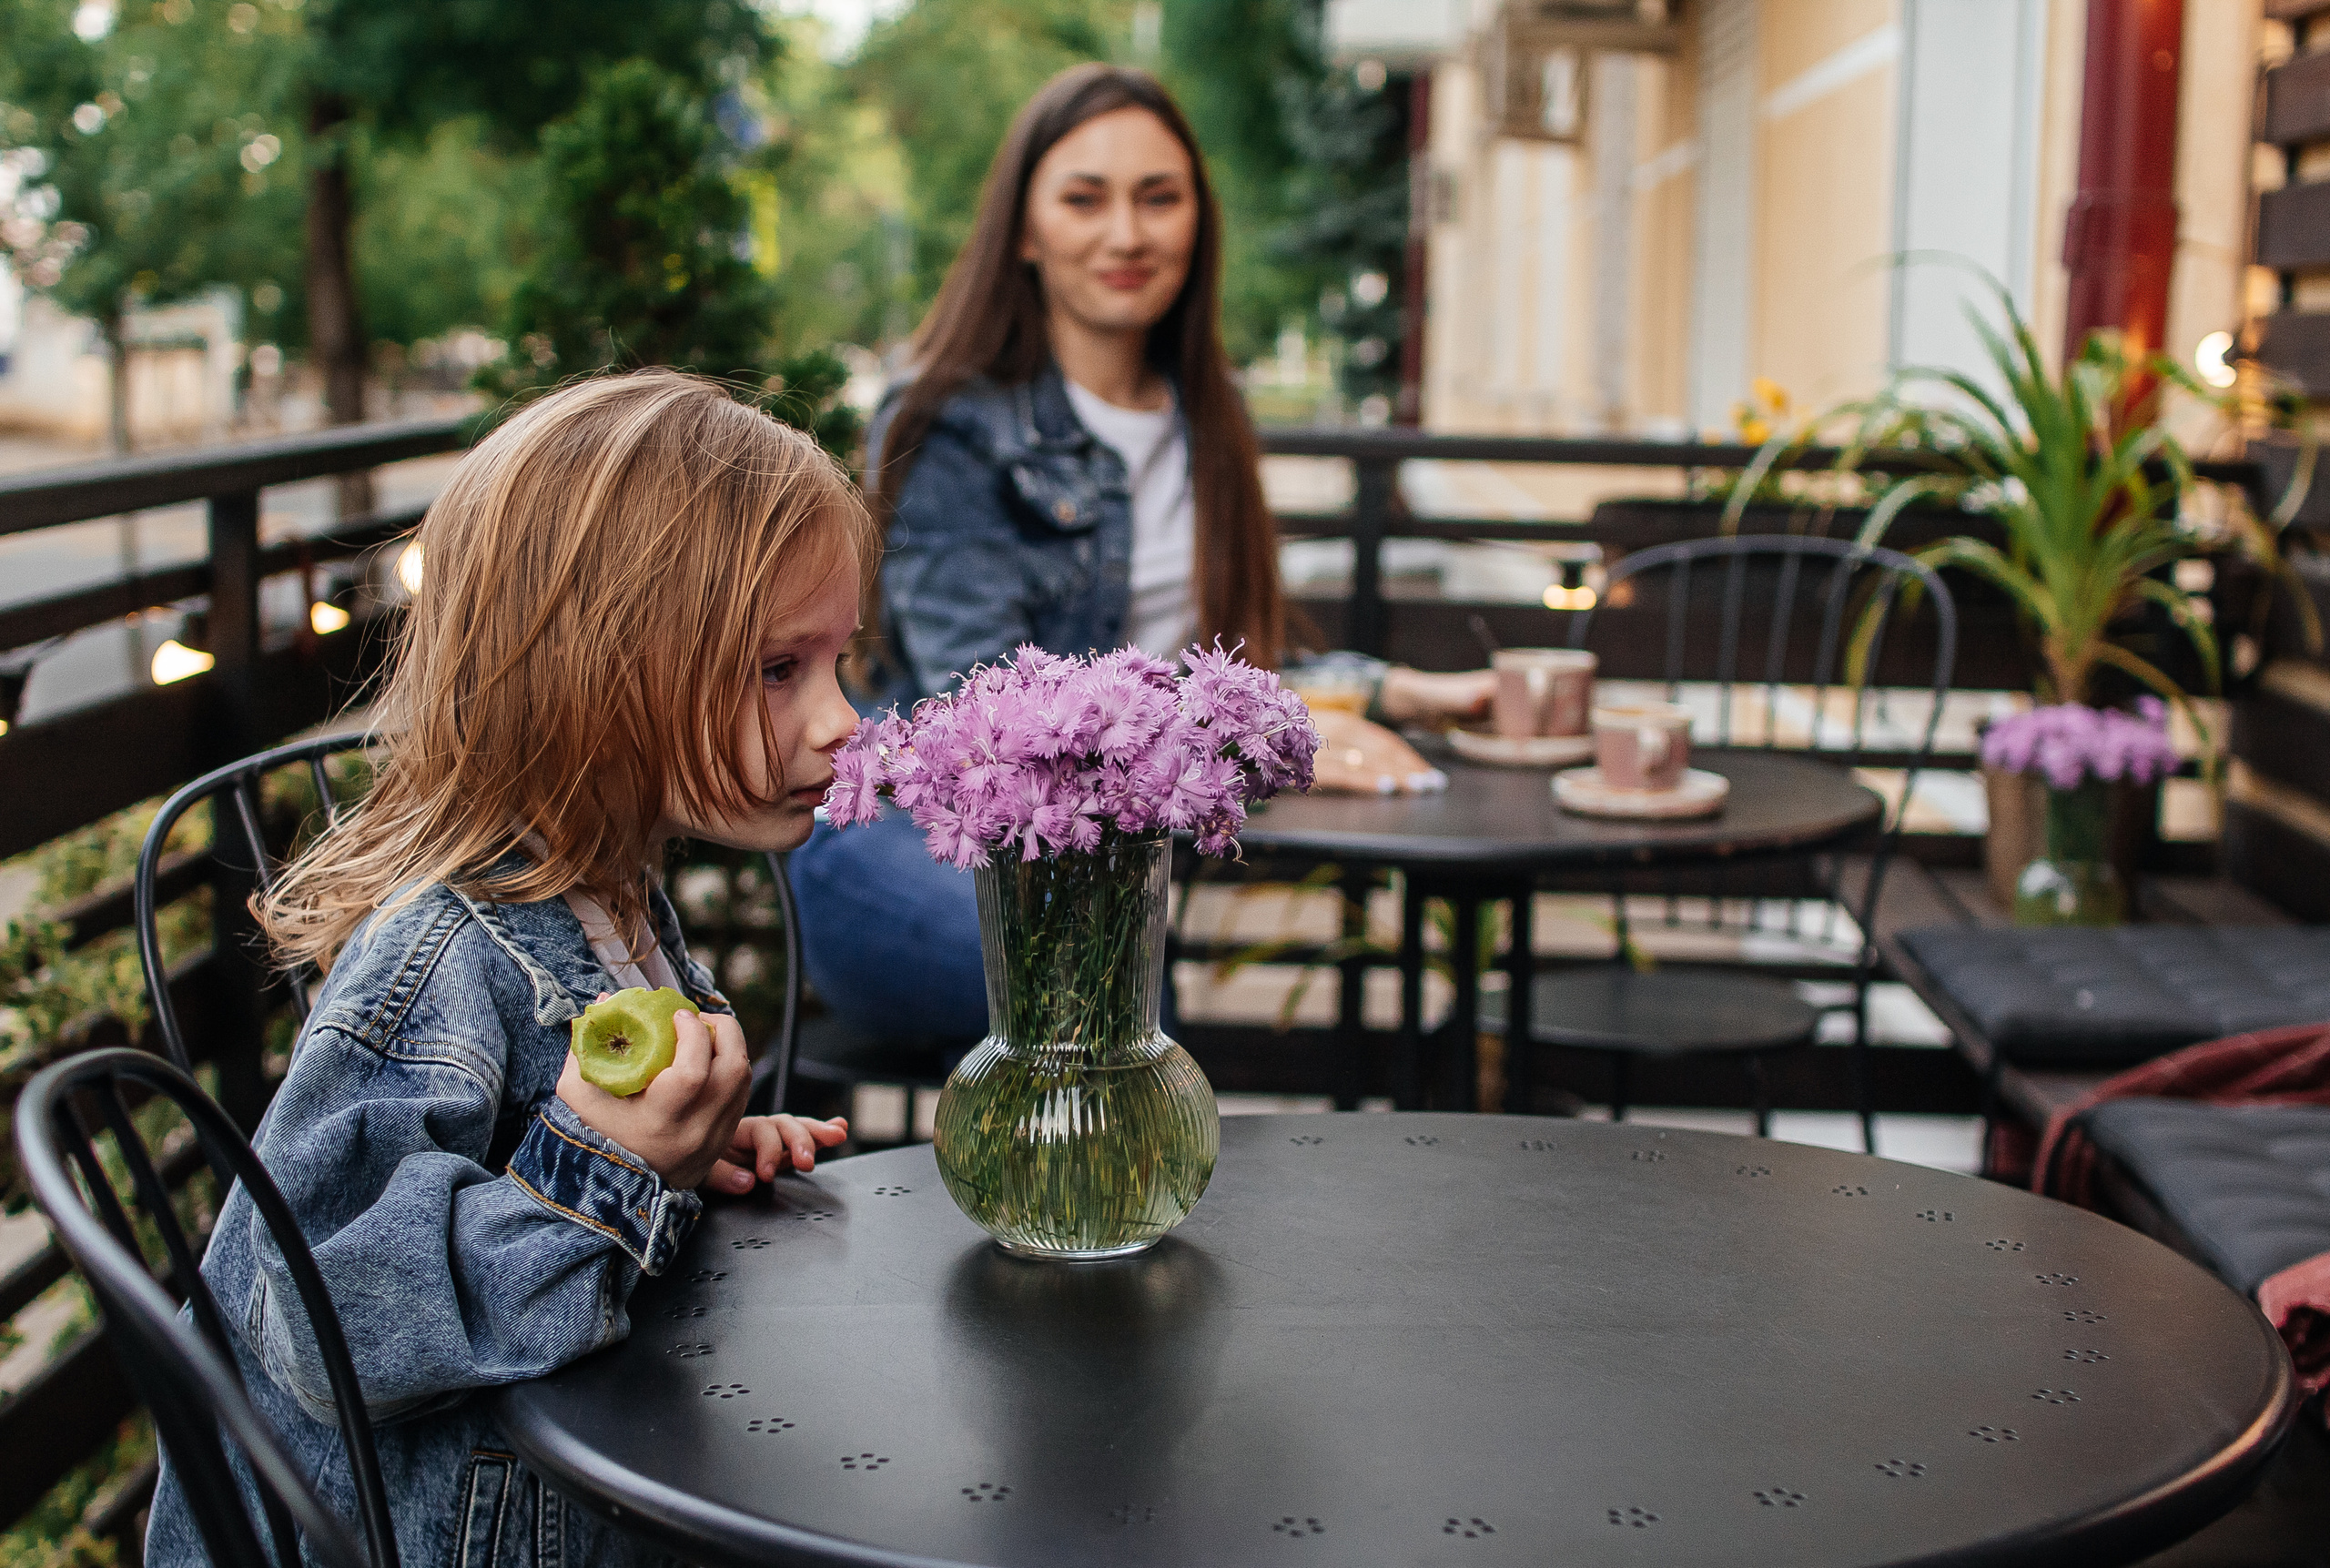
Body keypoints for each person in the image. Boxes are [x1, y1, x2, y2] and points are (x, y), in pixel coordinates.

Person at [146, 371, 867, 1568]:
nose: (844, 717)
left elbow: (522, 1160)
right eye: (778, 667)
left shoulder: (613, 893)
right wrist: (601, 1169)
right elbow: (322, 1318)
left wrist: (676, 1159)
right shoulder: (442, 957)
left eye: (839, 659)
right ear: (595, 671)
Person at [790, 63, 1488, 1045]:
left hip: (1092, 864)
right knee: (1101, 981)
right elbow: (988, 715)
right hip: (911, 844)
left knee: (1116, 973)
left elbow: (1209, 667)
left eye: (1158, 198)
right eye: (1085, 199)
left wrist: (1395, 691)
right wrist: (1239, 740)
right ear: (1025, 231)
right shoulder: (951, 418)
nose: (1126, 234)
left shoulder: (1208, 414)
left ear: (1198, 220)